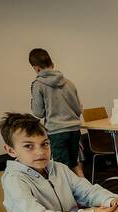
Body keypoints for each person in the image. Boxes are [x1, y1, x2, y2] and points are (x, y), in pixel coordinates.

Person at [0, 113, 118, 212]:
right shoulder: (14, 180)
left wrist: (110, 200)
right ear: (11, 151)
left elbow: (87, 191)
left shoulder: (59, 168)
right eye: (28, 146)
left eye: (45, 144)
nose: (40, 152)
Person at [28, 48, 84, 177]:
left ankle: (70, 190)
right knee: (74, 163)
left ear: (36, 68)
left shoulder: (38, 85)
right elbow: (78, 109)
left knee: (61, 169)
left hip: (56, 131)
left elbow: (38, 112)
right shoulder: (69, 83)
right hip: (74, 130)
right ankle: (86, 187)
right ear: (52, 64)